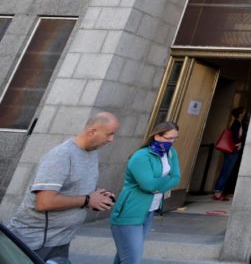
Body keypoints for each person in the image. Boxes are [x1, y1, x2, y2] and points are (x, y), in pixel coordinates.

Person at [8, 112, 119, 262]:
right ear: (92, 132)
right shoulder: (61, 155)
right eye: (109, 134)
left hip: (61, 240)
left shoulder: (92, 153)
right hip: (36, 242)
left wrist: (98, 195)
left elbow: (75, 187)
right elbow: (44, 202)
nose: (112, 140)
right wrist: (87, 200)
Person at [110, 121, 181, 264]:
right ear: (157, 136)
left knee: (125, 256)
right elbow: (148, 185)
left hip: (149, 211)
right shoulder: (141, 156)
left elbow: (177, 178)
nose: (172, 142)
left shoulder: (171, 153)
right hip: (130, 212)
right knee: (132, 259)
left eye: (175, 138)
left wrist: (158, 183)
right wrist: (165, 180)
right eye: (169, 138)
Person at [211, 107, 246, 201]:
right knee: (226, 171)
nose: (244, 114)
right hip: (232, 151)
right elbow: (234, 136)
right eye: (243, 112)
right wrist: (238, 144)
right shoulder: (236, 123)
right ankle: (218, 193)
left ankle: (219, 192)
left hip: (232, 150)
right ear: (240, 114)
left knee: (226, 171)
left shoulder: (238, 123)